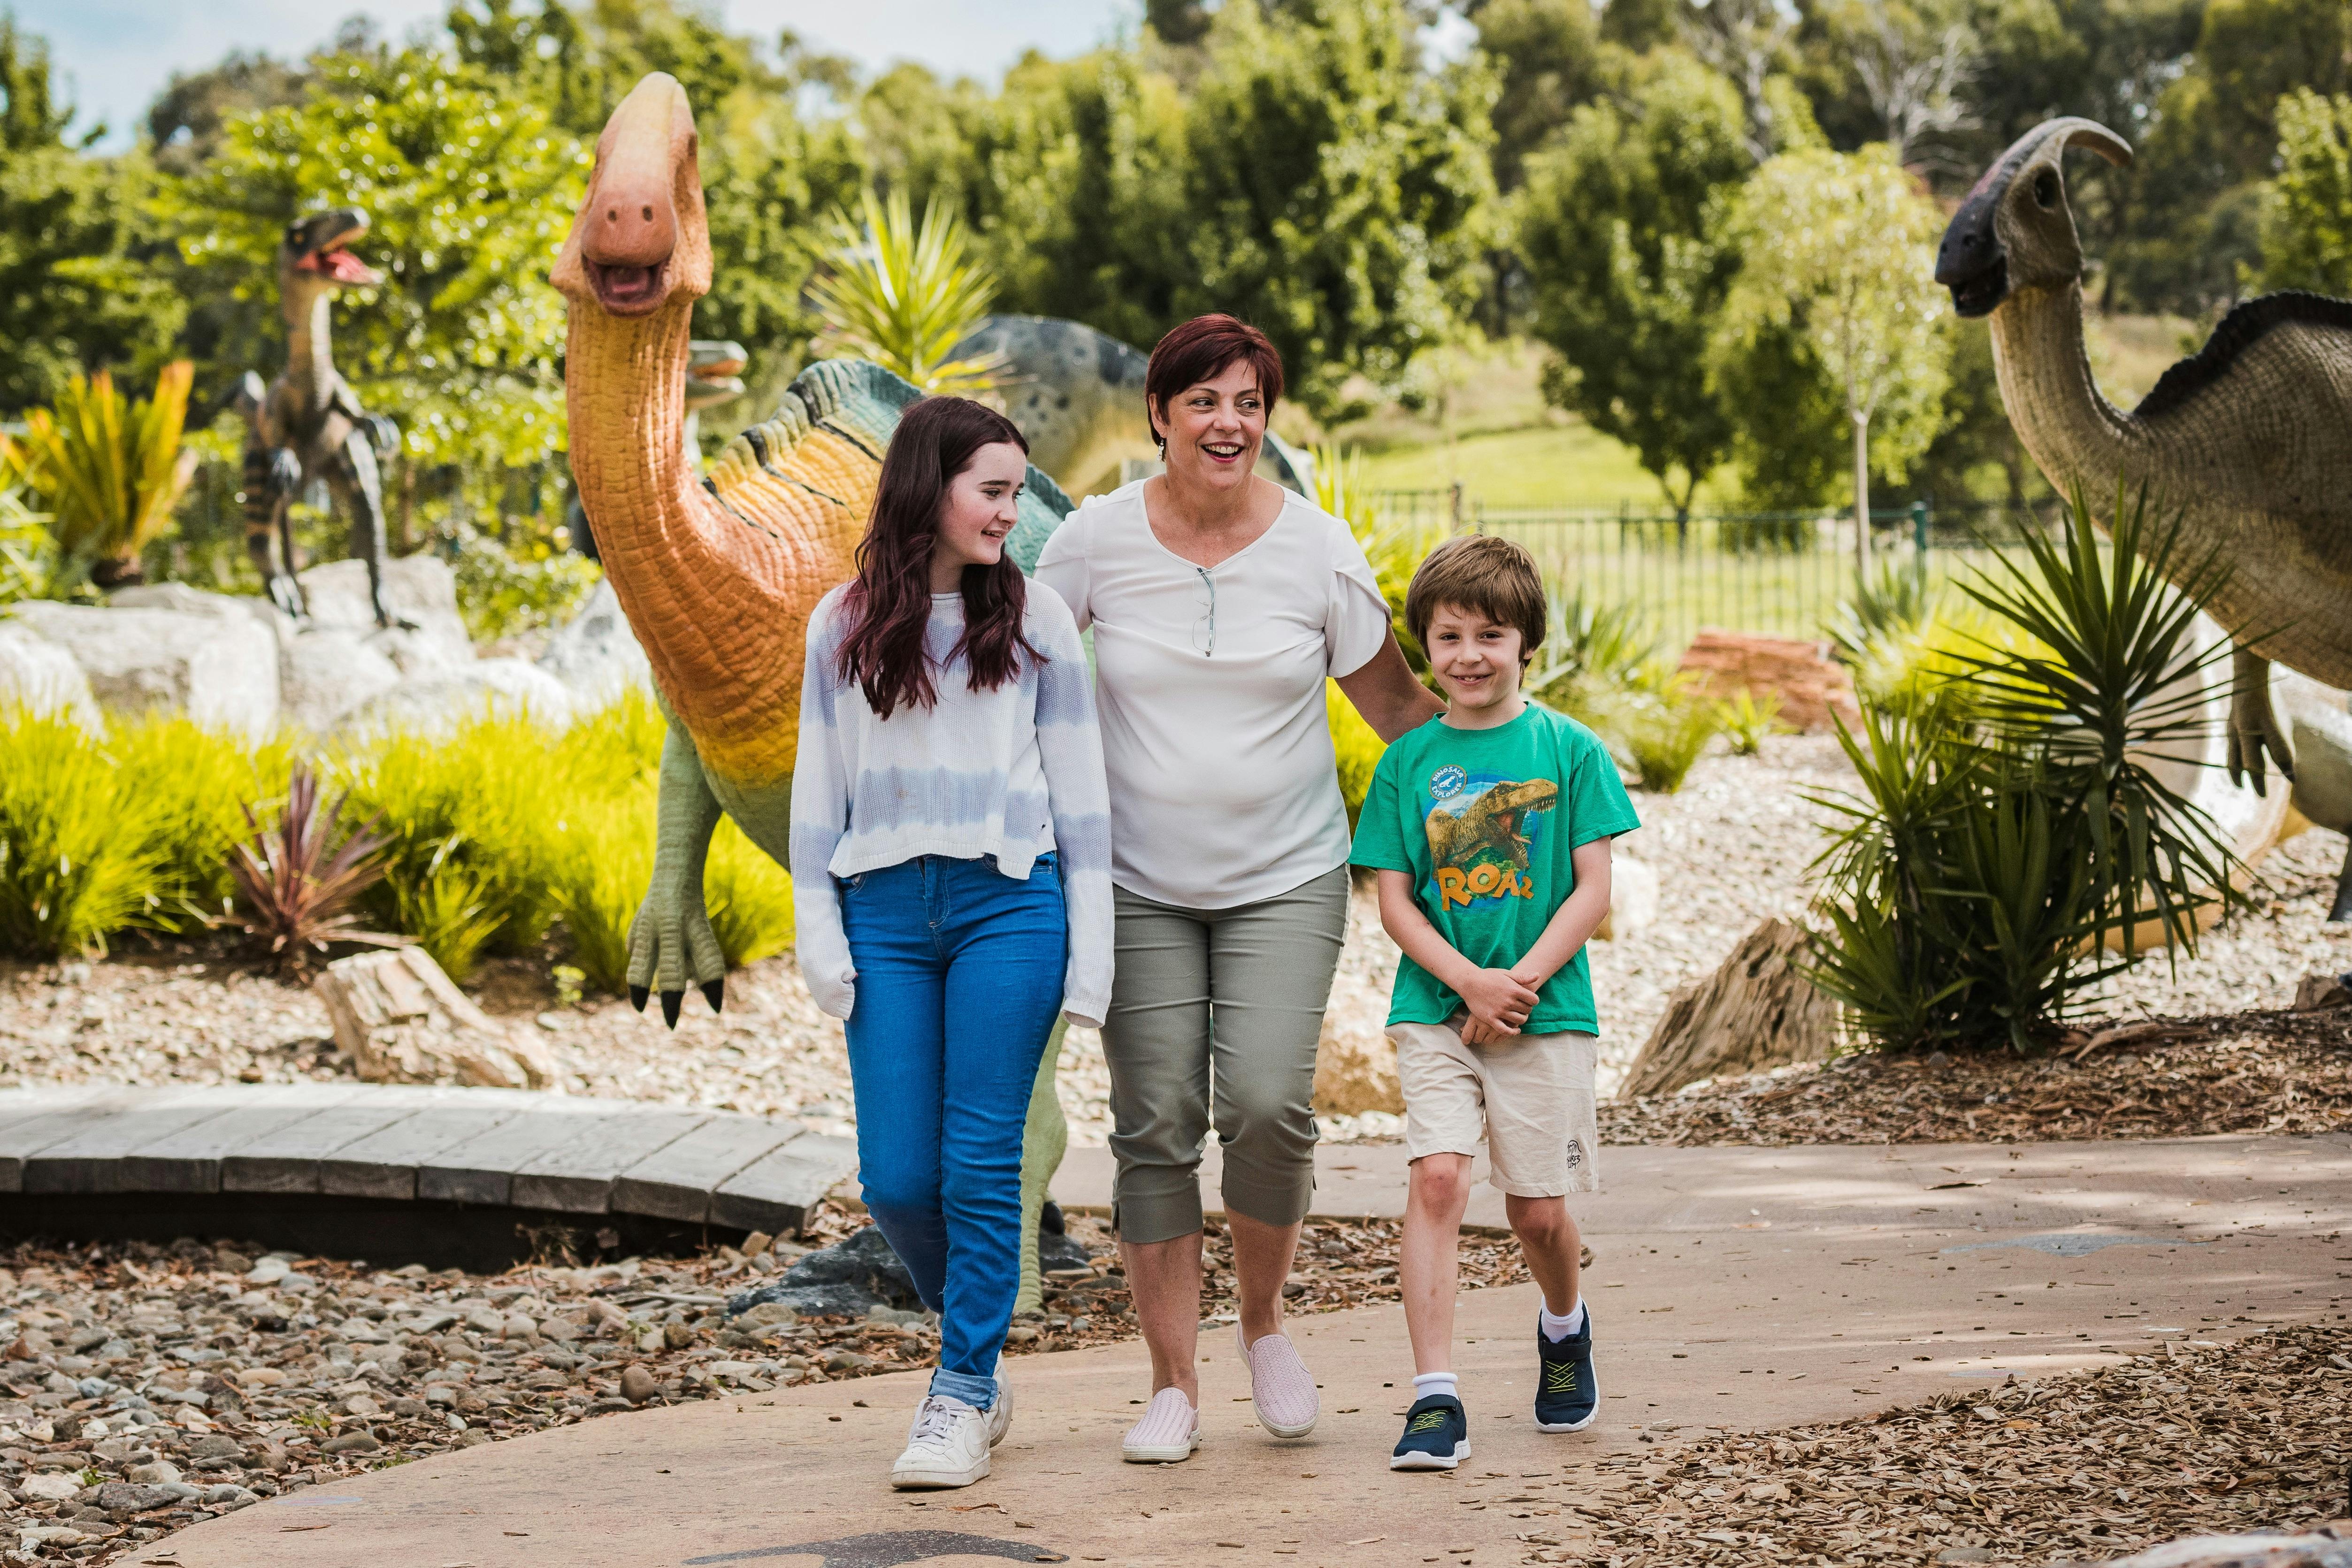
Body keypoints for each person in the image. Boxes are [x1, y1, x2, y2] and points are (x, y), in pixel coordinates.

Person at [1035, 314, 1442, 1464]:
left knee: (1268, 1103)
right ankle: (1173, 1383)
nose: (1228, 423)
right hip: (1136, 882)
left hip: (1285, 875)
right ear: (1159, 414)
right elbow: (1016, 680)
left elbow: (1400, 715)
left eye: (1249, 403)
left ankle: (1264, 1326)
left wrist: (1507, 789)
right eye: (1204, 401)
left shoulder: (1315, 545)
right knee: (1154, 1123)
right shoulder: (1095, 541)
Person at [791, 397, 1113, 1491]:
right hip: (882, 909)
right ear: (928, 487)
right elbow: (815, 796)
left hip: (1007, 905)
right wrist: (817, 929)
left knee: (980, 1164)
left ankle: (964, 1386)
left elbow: (1083, 802)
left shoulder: (1037, 622)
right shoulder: (838, 623)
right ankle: (969, 1349)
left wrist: (1093, 953)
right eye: (993, 490)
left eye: (1018, 492)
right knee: (894, 1180)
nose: (1010, 512)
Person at [1347, 533, 1640, 1471]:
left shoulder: (1569, 749)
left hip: (1544, 1017)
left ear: (1526, 642)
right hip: (1434, 1010)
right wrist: (1466, 983)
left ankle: (1564, 1325)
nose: (1467, 655)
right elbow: (1395, 900)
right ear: (1423, 647)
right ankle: (1436, 1398)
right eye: (1446, 637)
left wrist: (1514, 986)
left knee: (1536, 1214)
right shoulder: (1408, 765)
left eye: (1489, 634)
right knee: (1437, 1178)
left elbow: (1592, 889)